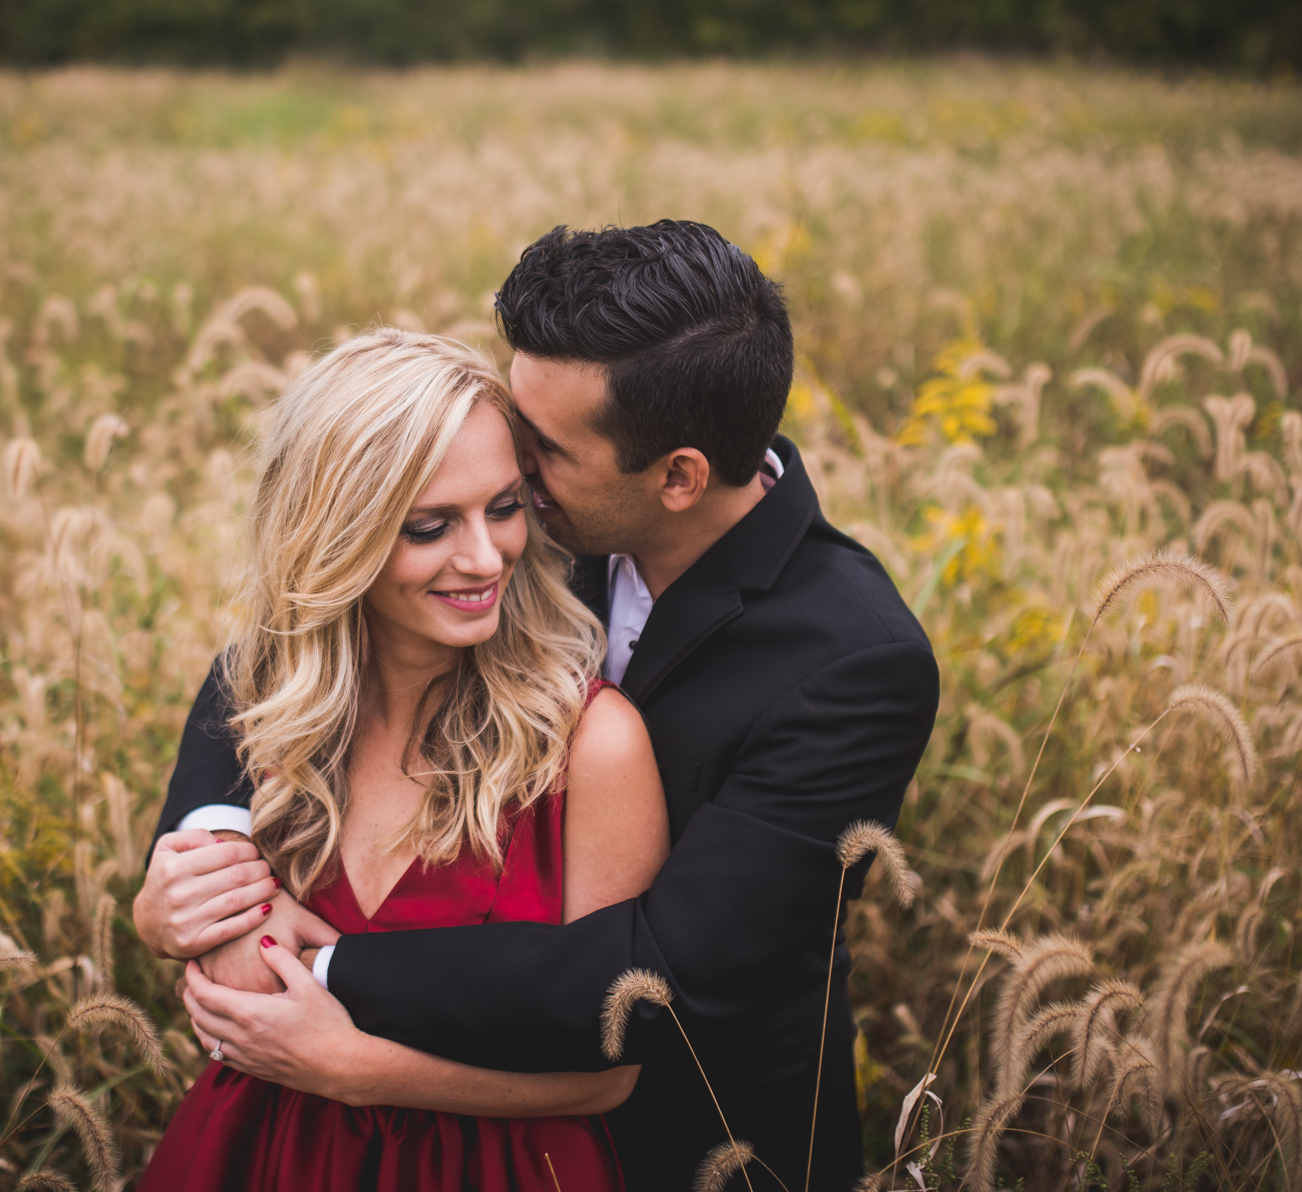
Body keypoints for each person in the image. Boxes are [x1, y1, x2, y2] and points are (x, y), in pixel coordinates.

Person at [142, 221, 940, 1192]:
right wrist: (201, 858)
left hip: (691, 1139)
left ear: (676, 476)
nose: (505, 470)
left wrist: (328, 975)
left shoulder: (852, 661)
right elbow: (295, 653)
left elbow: (664, 980)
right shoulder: (524, 515)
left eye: (536, 454)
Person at [137, 328, 669, 1191]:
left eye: (503, 507)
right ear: (336, 534)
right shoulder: (276, 709)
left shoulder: (590, 744)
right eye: (430, 526)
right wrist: (164, 914)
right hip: (260, 1149)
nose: (485, 555)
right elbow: (193, 894)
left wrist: (355, 1069)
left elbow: (610, 1071)